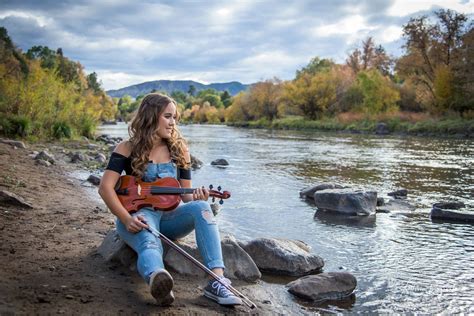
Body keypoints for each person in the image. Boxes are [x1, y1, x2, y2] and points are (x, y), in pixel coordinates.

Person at [98, 93, 242, 306]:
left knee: (202, 207)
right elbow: (105, 188)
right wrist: (126, 219)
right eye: (167, 116)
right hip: (138, 215)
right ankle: (158, 279)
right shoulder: (126, 148)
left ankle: (217, 281)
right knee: (149, 241)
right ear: (151, 116)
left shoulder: (180, 149)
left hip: (170, 218)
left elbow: (184, 195)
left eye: (174, 117)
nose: (173, 122)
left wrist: (197, 196)